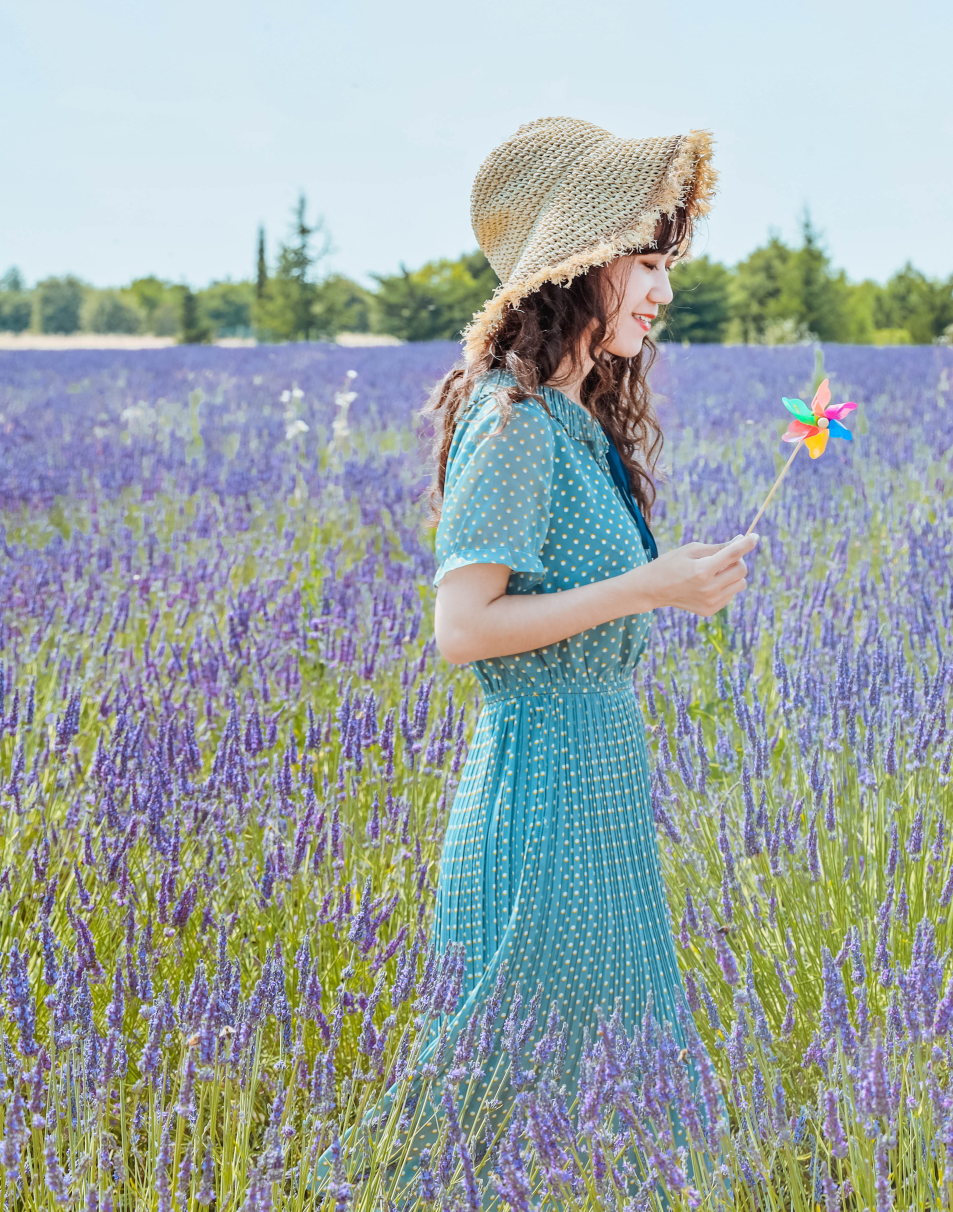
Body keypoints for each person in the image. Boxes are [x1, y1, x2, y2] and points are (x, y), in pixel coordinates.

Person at [318, 116, 752, 1203]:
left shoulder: (576, 422)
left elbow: (575, 602)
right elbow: (461, 630)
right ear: (582, 266)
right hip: (540, 801)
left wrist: (671, 582)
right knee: (500, 1112)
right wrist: (650, 586)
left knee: (610, 1113)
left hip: (600, 792)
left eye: (667, 266)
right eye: (647, 264)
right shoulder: (509, 422)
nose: (661, 291)